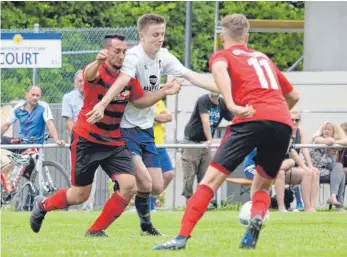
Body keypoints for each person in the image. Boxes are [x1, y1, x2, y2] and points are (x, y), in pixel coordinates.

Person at [153, 13, 300, 251]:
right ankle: (258, 216)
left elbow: (220, 70)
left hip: (249, 117)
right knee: (262, 186)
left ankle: (181, 238)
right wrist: (278, 117)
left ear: (222, 37)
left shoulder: (222, 55)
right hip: (282, 121)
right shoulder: (264, 58)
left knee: (210, 181)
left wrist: (231, 104)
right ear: (247, 36)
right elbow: (293, 96)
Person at [29, 34, 182, 236]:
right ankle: (43, 206)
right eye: (116, 51)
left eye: (124, 52)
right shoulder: (97, 70)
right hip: (87, 139)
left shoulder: (128, 77)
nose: (121, 56)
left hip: (113, 141)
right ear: (107, 51)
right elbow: (88, 75)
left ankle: (95, 231)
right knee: (79, 195)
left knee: (129, 186)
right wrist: (97, 61)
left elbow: (140, 101)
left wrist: (164, 91)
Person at [86, 14, 218, 236]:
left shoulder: (163, 56)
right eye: (155, 35)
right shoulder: (133, 58)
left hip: (147, 130)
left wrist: (227, 91)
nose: (160, 39)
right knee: (144, 183)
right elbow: (121, 82)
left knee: (156, 185)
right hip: (125, 129)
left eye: (162, 34)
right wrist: (103, 104)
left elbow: (191, 75)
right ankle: (144, 226)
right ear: (142, 36)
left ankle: (128, 195)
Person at [0, 86, 64, 192]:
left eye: (37, 95)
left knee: (28, 176)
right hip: (20, 143)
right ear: (26, 95)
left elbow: (50, 124)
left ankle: (23, 200)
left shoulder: (44, 107)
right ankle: (6, 179)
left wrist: (57, 139)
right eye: (32, 95)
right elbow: (5, 125)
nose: (35, 97)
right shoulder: (18, 108)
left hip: (34, 147)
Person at [181, 92, 233, 202]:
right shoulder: (203, 100)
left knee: (205, 175)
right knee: (189, 175)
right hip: (192, 142)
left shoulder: (222, 103)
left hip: (206, 144)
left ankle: (200, 202)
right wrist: (210, 139)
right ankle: (188, 201)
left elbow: (233, 118)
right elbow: (205, 120)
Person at [62, 70, 98, 211]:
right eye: (79, 81)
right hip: (77, 139)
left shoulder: (96, 95)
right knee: (76, 173)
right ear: (75, 83)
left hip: (95, 139)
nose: (83, 84)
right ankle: (72, 205)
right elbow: (69, 121)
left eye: (85, 80)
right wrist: (77, 137)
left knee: (91, 174)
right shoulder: (68, 98)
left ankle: (87, 208)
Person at [310, 121, 347, 211]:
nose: (326, 131)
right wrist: (335, 141)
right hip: (317, 170)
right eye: (324, 129)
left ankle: (333, 197)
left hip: (328, 169)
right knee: (341, 173)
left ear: (334, 132)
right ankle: (339, 205)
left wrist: (335, 141)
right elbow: (329, 141)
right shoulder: (317, 139)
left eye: (329, 129)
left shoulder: (335, 140)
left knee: (339, 166)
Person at [151, 99, 174, 211]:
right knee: (147, 178)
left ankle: (149, 200)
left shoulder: (158, 101)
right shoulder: (140, 98)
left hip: (160, 144)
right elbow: (142, 122)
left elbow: (169, 117)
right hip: (146, 145)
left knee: (168, 174)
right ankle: (145, 205)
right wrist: (159, 118)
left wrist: (151, 118)